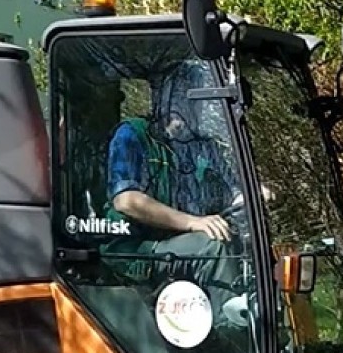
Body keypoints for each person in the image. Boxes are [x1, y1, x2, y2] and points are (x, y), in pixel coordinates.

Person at [103, 65, 243, 314]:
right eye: (179, 97)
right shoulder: (132, 135)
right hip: (137, 249)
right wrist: (193, 222)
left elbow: (235, 190)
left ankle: (270, 333)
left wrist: (255, 195)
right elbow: (127, 200)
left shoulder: (201, 145)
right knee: (214, 246)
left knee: (249, 244)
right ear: (161, 99)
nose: (187, 107)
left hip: (174, 244)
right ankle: (233, 335)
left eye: (192, 99)